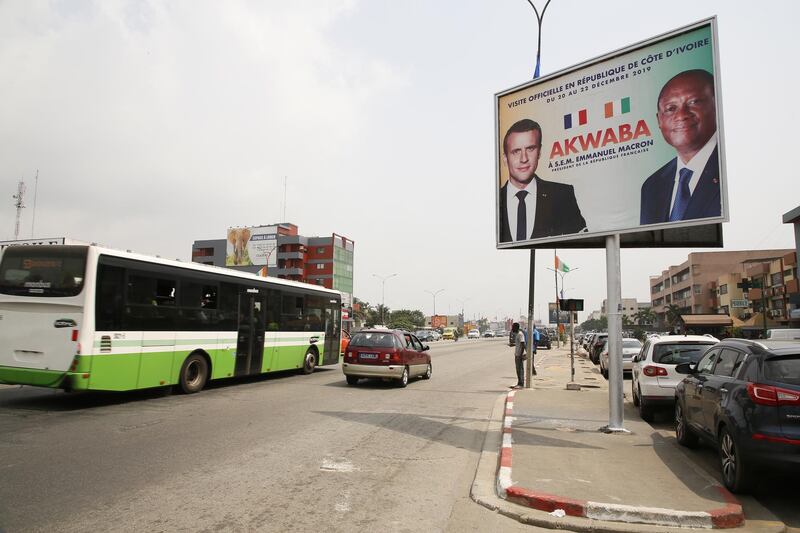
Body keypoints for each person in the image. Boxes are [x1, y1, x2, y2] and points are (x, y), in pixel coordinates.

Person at [640, 69, 721, 225]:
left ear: (716, 104)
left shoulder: (729, 166)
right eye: (671, 108)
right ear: (659, 120)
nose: (681, 115)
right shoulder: (652, 187)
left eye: (693, 102)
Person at [499, 119, 587, 242]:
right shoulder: (495, 202)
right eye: (516, 151)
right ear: (505, 158)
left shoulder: (562, 195)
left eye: (530, 149)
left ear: (539, 152)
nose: (523, 158)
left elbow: (580, 241)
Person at [511, 322, 525, 388]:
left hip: (519, 355)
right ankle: (519, 383)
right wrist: (513, 344)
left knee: (520, 369)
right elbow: (519, 344)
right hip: (517, 354)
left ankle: (521, 384)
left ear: (516, 327)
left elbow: (523, 344)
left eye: (513, 327)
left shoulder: (520, 334)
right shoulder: (517, 334)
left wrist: (521, 355)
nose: (512, 328)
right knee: (518, 369)